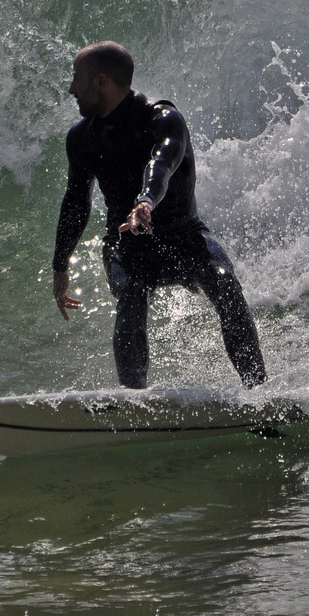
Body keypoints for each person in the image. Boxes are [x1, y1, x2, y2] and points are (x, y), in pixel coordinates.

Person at [51, 41, 267, 390]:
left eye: (77, 78)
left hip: (184, 236)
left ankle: (258, 392)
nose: (71, 88)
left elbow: (161, 165)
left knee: (226, 285)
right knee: (132, 296)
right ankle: (134, 401)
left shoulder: (163, 119)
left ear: (101, 82)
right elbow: (76, 202)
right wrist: (60, 265)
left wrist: (145, 202)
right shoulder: (81, 138)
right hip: (128, 245)